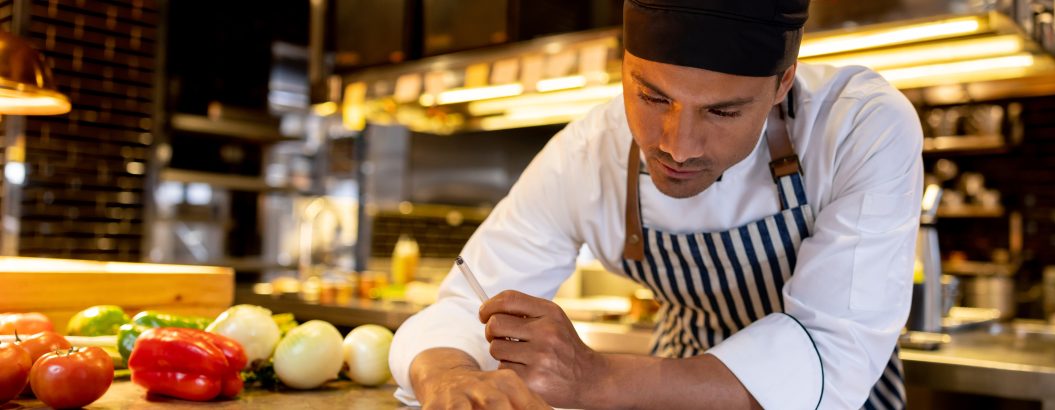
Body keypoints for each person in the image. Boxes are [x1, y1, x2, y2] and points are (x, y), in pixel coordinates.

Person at [389, 0, 923, 408]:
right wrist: (448, 376)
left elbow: (831, 352)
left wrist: (594, 378)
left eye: (722, 112)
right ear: (623, 66)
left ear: (782, 82)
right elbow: (468, 304)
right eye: (652, 98)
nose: (677, 145)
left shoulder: (859, 127)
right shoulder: (588, 153)